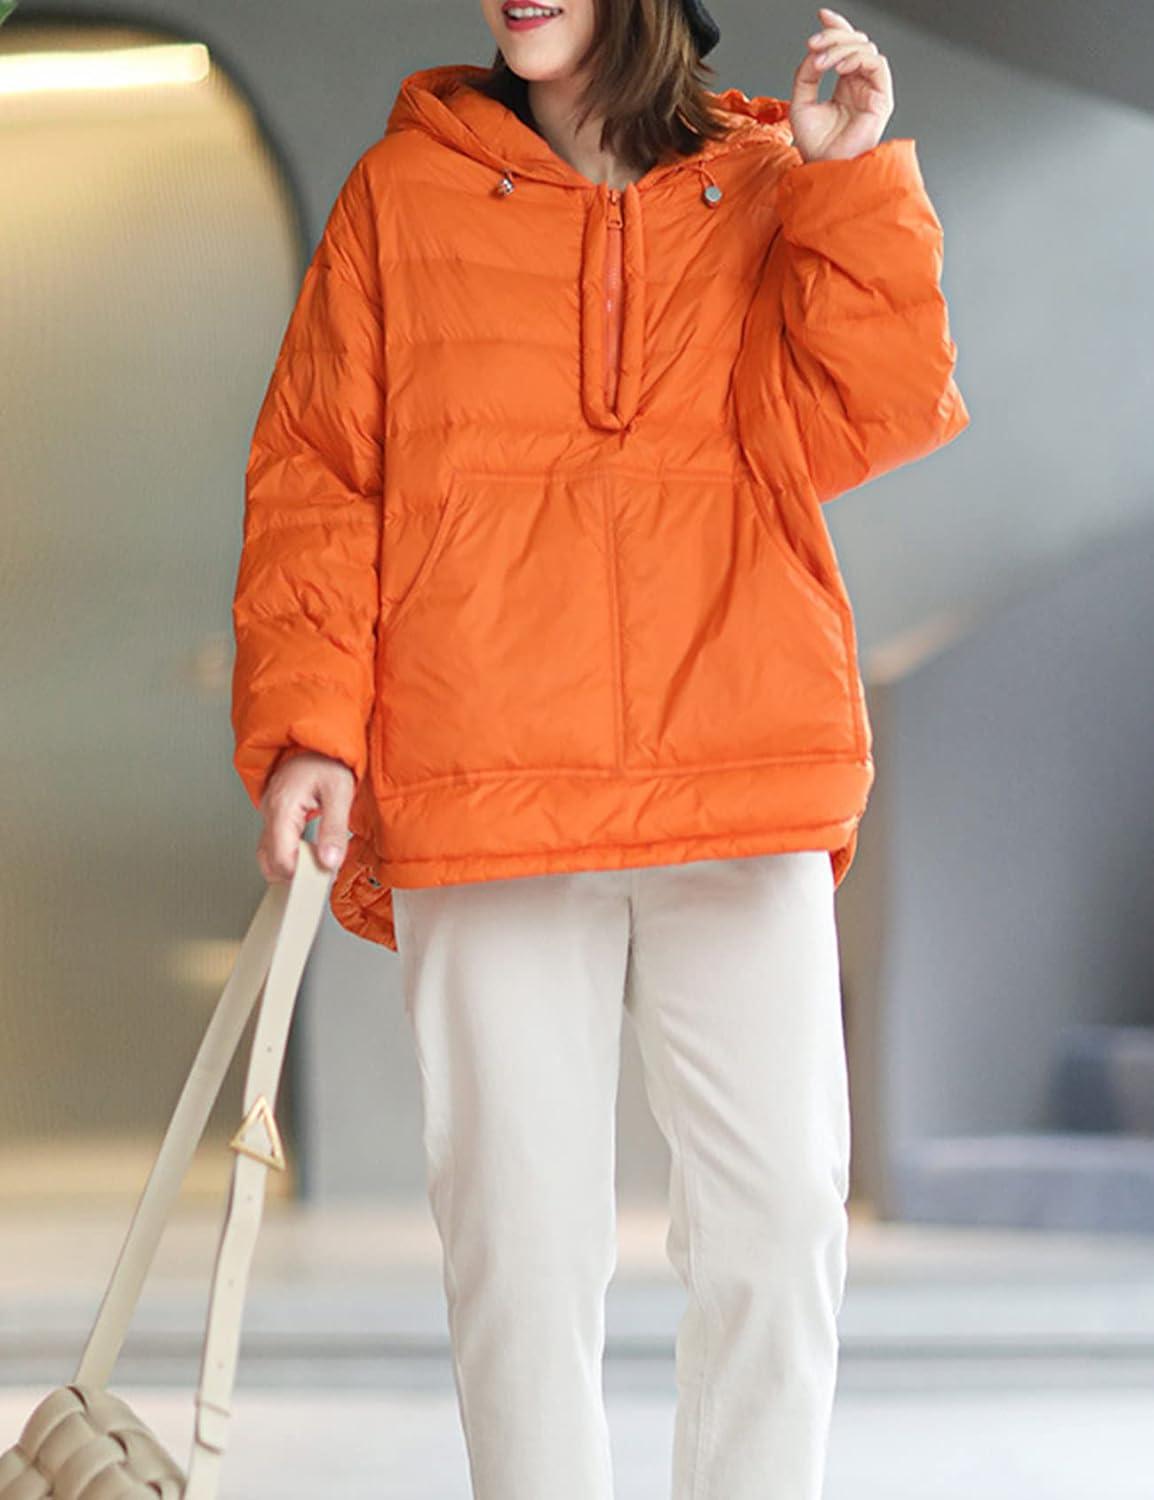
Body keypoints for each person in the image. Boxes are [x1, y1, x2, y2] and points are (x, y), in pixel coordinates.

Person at [230, 4, 969, 1496]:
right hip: (485, 773)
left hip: (739, 763)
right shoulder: (403, 192)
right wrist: (311, 725)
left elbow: (872, 415)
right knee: (516, 1247)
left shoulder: (768, 179)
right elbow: (319, 473)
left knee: (780, 1225)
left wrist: (845, 179)